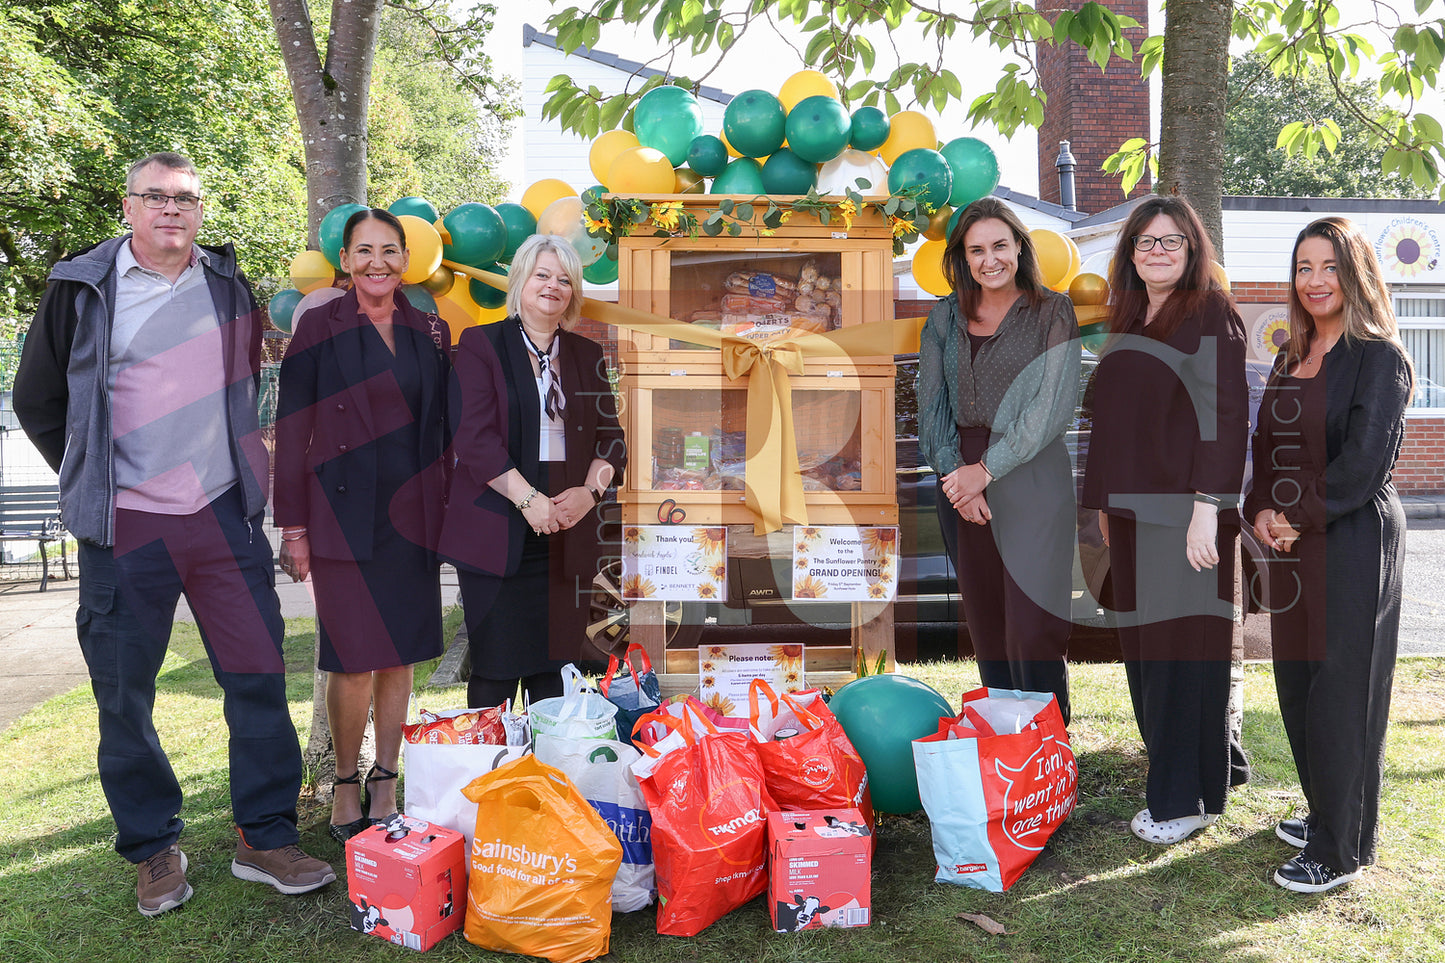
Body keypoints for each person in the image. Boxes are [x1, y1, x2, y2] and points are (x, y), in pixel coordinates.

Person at [12, 152, 334, 916]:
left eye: (184, 199)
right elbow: (37, 397)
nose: (169, 209)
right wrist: (94, 477)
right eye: (153, 197)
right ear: (128, 208)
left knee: (256, 678)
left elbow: (245, 390)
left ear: (197, 210)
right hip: (125, 528)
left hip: (220, 516)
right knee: (126, 695)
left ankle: (265, 835)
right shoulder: (79, 286)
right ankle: (153, 847)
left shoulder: (227, 284)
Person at [1244, 217, 1412, 892]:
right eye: (1303, 267)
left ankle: (1339, 847)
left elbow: (1362, 464)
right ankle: (1324, 810)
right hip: (1285, 541)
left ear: (1356, 273)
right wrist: (1259, 509)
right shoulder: (1291, 353)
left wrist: (1294, 517)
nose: (1314, 281)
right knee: (1296, 681)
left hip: (1349, 538)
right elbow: (1263, 446)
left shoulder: (1378, 358)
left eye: (1328, 265)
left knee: (1343, 691)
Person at [273, 209, 451, 842]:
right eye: (364, 251)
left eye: (390, 251)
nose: (378, 262)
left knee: (398, 657)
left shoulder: (430, 330)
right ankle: (345, 782)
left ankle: (386, 778)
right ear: (345, 261)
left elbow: (446, 429)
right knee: (350, 660)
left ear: (407, 260)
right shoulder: (319, 326)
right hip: (340, 514)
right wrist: (292, 527)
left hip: (413, 518)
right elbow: (292, 432)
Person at [1081, 195, 1249, 845]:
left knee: (1183, 656)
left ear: (1191, 250)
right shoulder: (1126, 315)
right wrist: (1102, 501)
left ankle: (1187, 799)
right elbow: (1114, 421)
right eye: (1144, 242)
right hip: (1129, 512)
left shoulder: (1211, 312)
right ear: (1129, 253)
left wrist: (1206, 509)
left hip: (1187, 515)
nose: (1156, 251)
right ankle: (1191, 773)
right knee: (1148, 654)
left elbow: (1225, 417)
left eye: (1170, 241)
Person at [440, 234, 626, 709]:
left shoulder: (587, 355)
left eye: (564, 279)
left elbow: (613, 440)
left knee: (555, 673)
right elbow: (474, 439)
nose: (553, 286)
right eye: (542, 275)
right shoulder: (482, 344)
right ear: (521, 280)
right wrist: (528, 500)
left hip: (567, 527)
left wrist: (590, 493)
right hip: (499, 523)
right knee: (495, 672)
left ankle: (550, 779)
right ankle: (489, 776)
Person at [917, 197, 1082, 722]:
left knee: (1032, 623)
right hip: (959, 478)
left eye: (1000, 246)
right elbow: (932, 404)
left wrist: (983, 472)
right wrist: (954, 478)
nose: (990, 260)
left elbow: (1052, 406)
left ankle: (1050, 746)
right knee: (987, 620)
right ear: (962, 258)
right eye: (976, 250)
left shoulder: (1052, 310)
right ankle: (1008, 747)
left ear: (1019, 248)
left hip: (1032, 473)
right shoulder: (944, 315)